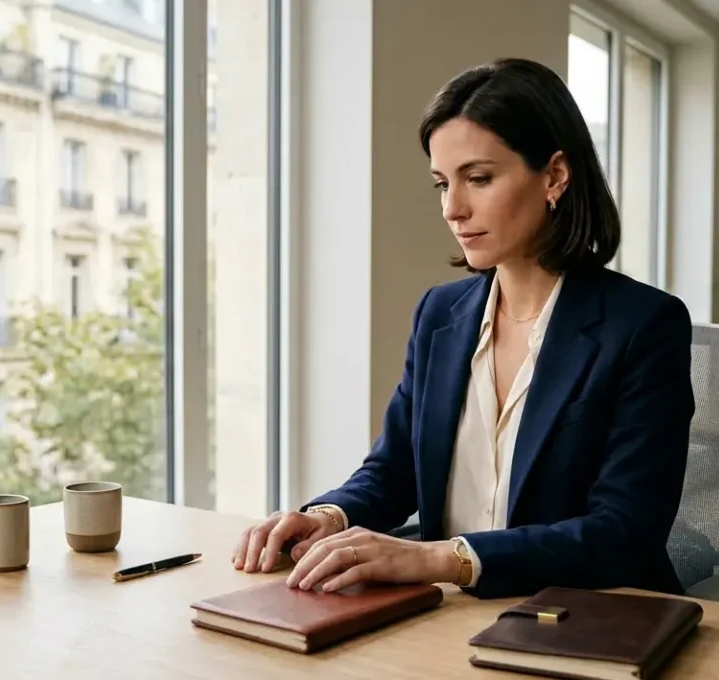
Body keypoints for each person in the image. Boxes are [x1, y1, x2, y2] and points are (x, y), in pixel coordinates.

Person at [231, 57, 695, 600]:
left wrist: (442, 558)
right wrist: (329, 516)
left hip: (582, 618)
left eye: (478, 178)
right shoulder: (440, 314)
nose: (453, 208)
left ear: (555, 176)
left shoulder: (644, 325)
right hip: (448, 619)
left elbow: (624, 532)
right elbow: (394, 468)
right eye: (441, 184)